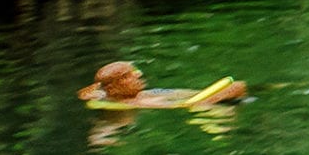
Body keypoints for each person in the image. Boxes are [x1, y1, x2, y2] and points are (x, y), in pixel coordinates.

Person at [78, 61, 248, 108]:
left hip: (159, 92)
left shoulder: (102, 92)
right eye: (127, 76)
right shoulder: (135, 102)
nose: (139, 74)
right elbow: (190, 105)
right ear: (113, 87)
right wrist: (227, 93)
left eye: (134, 70)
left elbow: (86, 92)